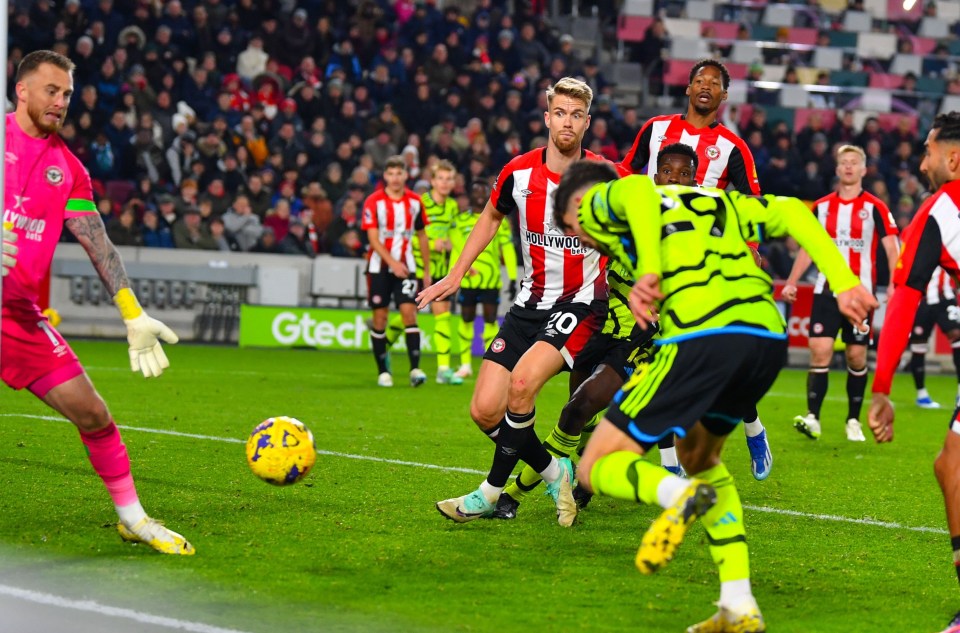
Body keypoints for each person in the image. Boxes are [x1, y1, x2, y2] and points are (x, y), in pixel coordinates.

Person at [553, 160, 875, 632]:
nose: (580, 238)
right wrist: (844, 280)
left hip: (701, 337)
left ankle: (679, 494)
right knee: (702, 457)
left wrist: (646, 268)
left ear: (578, 208)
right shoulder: (718, 199)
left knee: (595, 465)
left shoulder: (603, 202)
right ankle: (738, 606)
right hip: (766, 337)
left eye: (570, 228)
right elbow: (792, 212)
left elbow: (640, 191)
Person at [2, 50, 192, 555]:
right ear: (21, 90)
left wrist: (133, 313)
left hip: (17, 320)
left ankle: (133, 518)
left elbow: (98, 244)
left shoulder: (68, 169)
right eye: (51, 90)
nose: (61, 102)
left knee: (95, 415)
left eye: (66, 93)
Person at [416, 77, 606, 527]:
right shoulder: (518, 172)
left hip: (579, 305)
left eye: (576, 115)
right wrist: (455, 273)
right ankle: (553, 469)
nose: (567, 121)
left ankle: (489, 492)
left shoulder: (604, 175)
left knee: (521, 388)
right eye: (560, 112)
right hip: (528, 303)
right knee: (484, 410)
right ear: (546, 118)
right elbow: (490, 217)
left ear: (587, 122)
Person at [494, 143, 697, 520]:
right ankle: (584, 473)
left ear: (695, 180)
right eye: (668, 172)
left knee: (580, 406)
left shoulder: (694, 235)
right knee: (575, 418)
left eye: (684, 174)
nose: (675, 179)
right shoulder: (630, 212)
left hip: (638, 341)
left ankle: (513, 492)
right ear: (655, 177)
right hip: (597, 328)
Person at [620, 58, 772, 480]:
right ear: (687, 89)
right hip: (653, 259)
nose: (706, 87)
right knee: (654, 360)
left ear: (724, 96)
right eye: (699, 81)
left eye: (715, 84)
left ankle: (753, 428)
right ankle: (671, 467)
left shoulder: (733, 148)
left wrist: (751, 249)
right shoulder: (654, 130)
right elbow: (625, 174)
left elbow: (751, 205)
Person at [869, 112, 960, 633]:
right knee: (951, 463)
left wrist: (882, 389)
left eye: (927, 151)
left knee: (954, 470)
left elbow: (904, 297)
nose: (921, 161)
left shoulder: (940, 208)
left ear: (950, 158)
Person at [781, 144, 900, 442]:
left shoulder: (875, 207)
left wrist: (896, 284)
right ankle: (813, 418)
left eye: (853, 163)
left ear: (863, 170)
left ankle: (852, 421)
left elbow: (891, 247)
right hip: (826, 290)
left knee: (857, 356)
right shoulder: (820, 206)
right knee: (819, 351)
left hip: (860, 293)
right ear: (837, 169)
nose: (848, 167)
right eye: (843, 162)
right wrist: (793, 280)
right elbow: (809, 248)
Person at [363, 155, 431, 388]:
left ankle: (415, 369)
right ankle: (383, 372)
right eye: (390, 174)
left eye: (399, 173)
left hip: (407, 267)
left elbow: (422, 236)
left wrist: (427, 271)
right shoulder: (373, 202)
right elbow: (372, 238)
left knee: (409, 314)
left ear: (405, 175)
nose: (395, 178)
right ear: (385, 176)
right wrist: (391, 262)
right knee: (379, 319)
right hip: (379, 268)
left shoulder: (414, 202)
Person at [449, 180, 517, 380]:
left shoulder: (500, 221)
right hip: (468, 281)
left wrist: (512, 277)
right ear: (469, 194)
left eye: (483, 191)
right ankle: (465, 364)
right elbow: (456, 250)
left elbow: (508, 250)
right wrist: (454, 276)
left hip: (491, 280)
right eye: (476, 190)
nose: (479, 194)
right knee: (466, 319)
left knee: (490, 322)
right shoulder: (459, 221)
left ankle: (490, 366)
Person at [415, 160, 463, 385]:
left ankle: (443, 369)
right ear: (432, 181)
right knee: (410, 313)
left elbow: (454, 236)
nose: (445, 183)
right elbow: (412, 235)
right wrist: (433, 244)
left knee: (442, 314)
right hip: (417, 267)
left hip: (440, 270)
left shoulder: (452, 206)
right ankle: (385, 340)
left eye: (449, 179)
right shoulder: (421, 203)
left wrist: (462, 263)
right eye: (441, 178)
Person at [909, 268, 960, 409]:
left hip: (946, 298)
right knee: (918, 345)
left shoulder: (952, 246)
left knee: (957, 336)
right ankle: (921, 394)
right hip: (922, 301)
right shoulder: (918, 246)